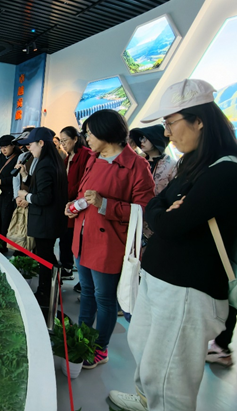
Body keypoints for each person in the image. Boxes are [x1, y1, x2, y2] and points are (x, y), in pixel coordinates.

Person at [109, 79, 237, 411]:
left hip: (188, 290)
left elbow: (170, 223)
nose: (167, 133)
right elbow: (156, 204)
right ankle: (144, 400)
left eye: (170, 123)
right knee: (145, 349)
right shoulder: (192, 163)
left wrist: (164, 212)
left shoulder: (225, 171)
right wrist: (163, 210)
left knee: (170, 375)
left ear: (199, 120)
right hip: (160, 280)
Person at [65, 109, 155, 370]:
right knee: (87, 294)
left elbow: (144, 210)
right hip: (83, 238)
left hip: (108, 244)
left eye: (90, 133)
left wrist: (105, 205)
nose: (87, 138)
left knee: (105, 300)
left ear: (106, 132)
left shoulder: (136, 166)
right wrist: (73, 206)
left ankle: (100, 348)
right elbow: (84, 195)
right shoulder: (93, 159)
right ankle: (82, 341)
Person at [16, 127, 68, 309]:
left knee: (45, 257)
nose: (29, 148)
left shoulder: (45, 164)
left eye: (31, 144)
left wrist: (26, 196)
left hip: (45, 220)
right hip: (51, 220)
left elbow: (44, 197)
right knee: (46, 255)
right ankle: (49, 290)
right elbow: (41, 186)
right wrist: (26, 177)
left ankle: (46, 293)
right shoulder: (53, 161)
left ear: (41, 143)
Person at [129, 124, 177, 245]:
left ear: (156, 139)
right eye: (140, 138)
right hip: (136, 216)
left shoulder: (172, 164)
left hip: (159, 217)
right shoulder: (137, 162)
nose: (141, 141)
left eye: (145, 138)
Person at [58, 126, 90, 282]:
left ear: (75, 139)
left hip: (77, 203)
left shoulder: (85, 154)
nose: (63, 144)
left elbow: (84, 181)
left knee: (73, 238)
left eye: (65, 140)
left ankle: (69, 268)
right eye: (61, 141)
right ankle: (66, 266)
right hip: (66, 201)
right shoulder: (68, 157)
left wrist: (68, 194)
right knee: (65, 237)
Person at [0, 135, 20, 237]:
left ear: (13, 145)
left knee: (5, 219)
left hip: (9, 193)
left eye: (6, 147)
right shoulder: (1, 156)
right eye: (1, 147)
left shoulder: (19, 157)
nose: (3, 150)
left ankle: (2, 242)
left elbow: (15, 177)